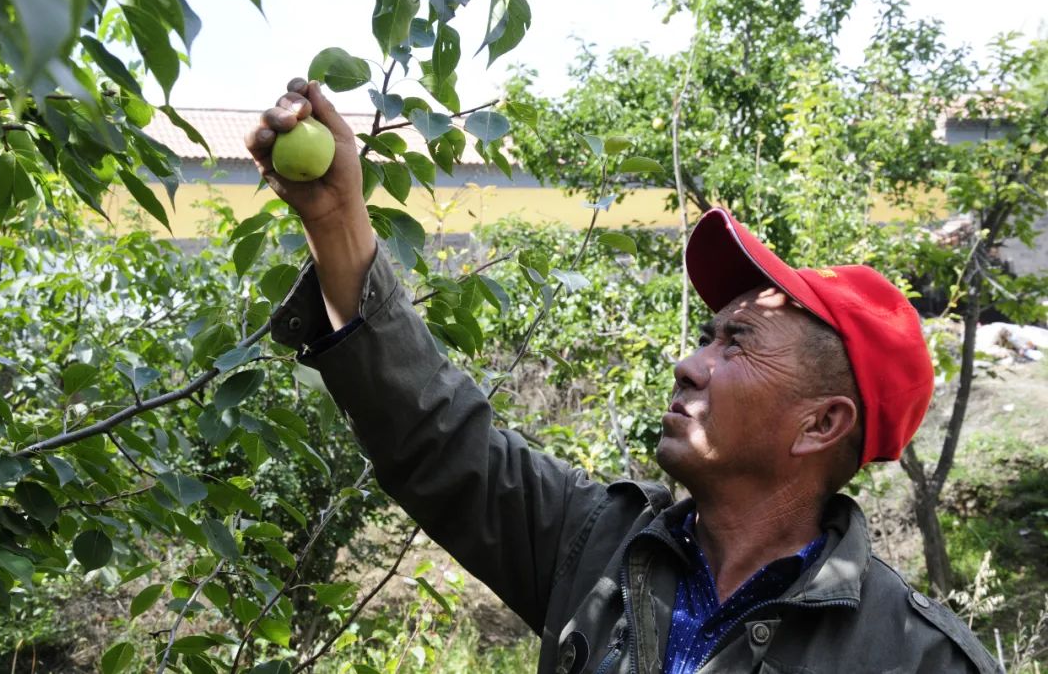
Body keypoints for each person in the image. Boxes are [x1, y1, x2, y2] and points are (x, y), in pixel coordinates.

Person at [247, 79, 1002, 674]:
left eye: (736, 342)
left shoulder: (915, 657)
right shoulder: (598, 544)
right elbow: (438, 439)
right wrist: (337, 217)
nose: (688, 362)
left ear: (822, 422)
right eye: (706, 335)